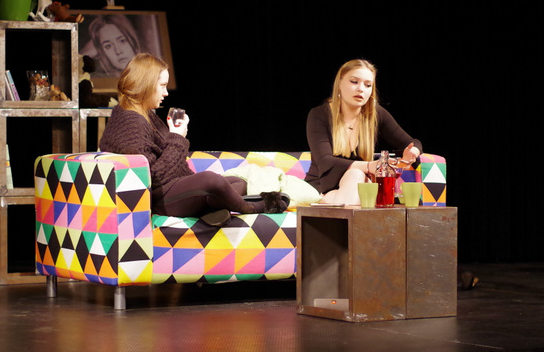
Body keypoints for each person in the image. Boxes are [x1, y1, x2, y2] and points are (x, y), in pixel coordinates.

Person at [99, 53, 286, 225]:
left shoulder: (143, 114)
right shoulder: (131, 122)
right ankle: (251, 207)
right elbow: (152, 178)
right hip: (159, 197)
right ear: (146, 84)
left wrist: (174, 137)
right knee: (211, 181)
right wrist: (177, 137)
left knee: (237, 182)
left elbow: (164, 160)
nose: (166, 93)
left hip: (171, 188)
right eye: (162, 86)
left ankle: (210, 208)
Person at [305, 59, 422, 205]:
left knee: (359, 178)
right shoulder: (319, 115)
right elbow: (325, 161)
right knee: (357, 176)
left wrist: (412, 152)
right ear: (339, 84)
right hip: (322, 189)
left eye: (368, 85)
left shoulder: (375, 114)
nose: (361, 89)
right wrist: (369, 166)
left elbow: (412, 143)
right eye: (354, 82)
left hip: (358, 187)